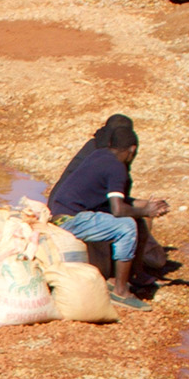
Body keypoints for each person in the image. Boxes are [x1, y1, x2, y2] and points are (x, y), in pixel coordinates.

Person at [47, 116, 164, 312]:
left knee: (134, 220)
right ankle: (120, 291)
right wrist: (146, 210)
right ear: (132, 150)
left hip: (67, 209)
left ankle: (132, 275)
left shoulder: (99, 154)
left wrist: (143, 209)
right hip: (71, 218)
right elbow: (118, 209)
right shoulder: (116, 167)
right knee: (127, 226)